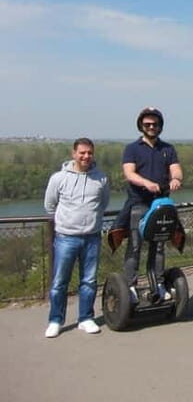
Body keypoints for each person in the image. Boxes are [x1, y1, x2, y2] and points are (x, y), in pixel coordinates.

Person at [43, 138, 110, 338]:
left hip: (92, 237)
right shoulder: (58, 178)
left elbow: (103, 203)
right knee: (59, 282)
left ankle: (85, 318)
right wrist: (66, 224)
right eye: (82, 153)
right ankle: (55, 320)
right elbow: (49, 205)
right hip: (66, 238)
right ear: (74, 154)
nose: (86, 156)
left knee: (89, 281)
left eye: (89, 153)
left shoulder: (101, 179)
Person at [118, 107, 183, 302]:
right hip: (139, 203)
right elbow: (129, 173)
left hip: (160, 204)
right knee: (135, 246)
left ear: (160, 126)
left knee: (159, 246)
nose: (151, 127)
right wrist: (146, 183)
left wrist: (176, 180)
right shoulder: (132, 148)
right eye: (147, 124)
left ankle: (159, 283)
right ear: (141, 126)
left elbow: (176, 170)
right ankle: (130, 286)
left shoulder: (167, 149)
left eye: (155, 124)